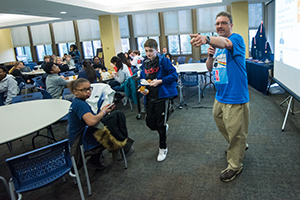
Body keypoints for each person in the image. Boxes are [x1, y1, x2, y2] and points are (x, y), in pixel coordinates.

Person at [190, 11, 249, 182]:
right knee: (223, 124)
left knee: (236, 132)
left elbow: (226, 42)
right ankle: (238, 146)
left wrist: (206, 39)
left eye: (224, 23)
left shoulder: (236, 39)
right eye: (217, 24)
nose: (220, 26)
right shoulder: (216, 47)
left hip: (235, 97)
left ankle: (235, 165)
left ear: (231, 25)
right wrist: (209, 54)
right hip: (220, 96)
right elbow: (210, 68)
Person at [68, 78, 134, 170]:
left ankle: (96, 159)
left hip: (81, 136)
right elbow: (92, 122)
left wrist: (103, 111)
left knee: (109, 127)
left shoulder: (78, 102)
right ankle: (122, 150)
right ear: (75, 92)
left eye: (89, 89)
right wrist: (103, 112)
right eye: (84, 90)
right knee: (112, 131)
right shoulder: (80, 104)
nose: (88, 92)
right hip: (81, 141)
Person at [138, 39, 178, 162]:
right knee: (150, 122)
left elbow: (174, 75)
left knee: (160, 124)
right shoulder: (145, 64)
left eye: (151, 51)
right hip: (149, 96)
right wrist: (142, 89)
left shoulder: (163, 61)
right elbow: (142, 79)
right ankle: (163, 128)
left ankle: (163, 147)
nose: (148, 53)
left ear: (157, 50)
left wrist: (160, 81)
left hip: (162, 96)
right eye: (146, 51)